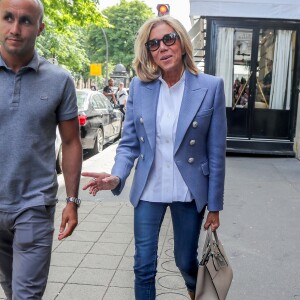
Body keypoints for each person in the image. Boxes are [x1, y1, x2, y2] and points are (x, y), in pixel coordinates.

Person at [82, 15, 226, 300]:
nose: (163, 47)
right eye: (154, 44)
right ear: (149, 52)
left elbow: (216, 151)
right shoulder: (139, 87)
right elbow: (130, 144)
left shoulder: (211, 87)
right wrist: (117, 175)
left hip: (188, 189)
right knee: (143, 266)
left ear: (182, 44)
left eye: (169, 39)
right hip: (149, 189)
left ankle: (193, 287)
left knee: (185, 260)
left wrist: (215, 206)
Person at [0, 0, 83, 299]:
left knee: (26, 296)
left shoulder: (59, 80)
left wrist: (72, 200)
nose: (15, 28)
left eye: (25, 21)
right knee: (11, 289)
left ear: (40, 28)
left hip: (34, 204)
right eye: (8, 18)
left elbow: (72, 142)